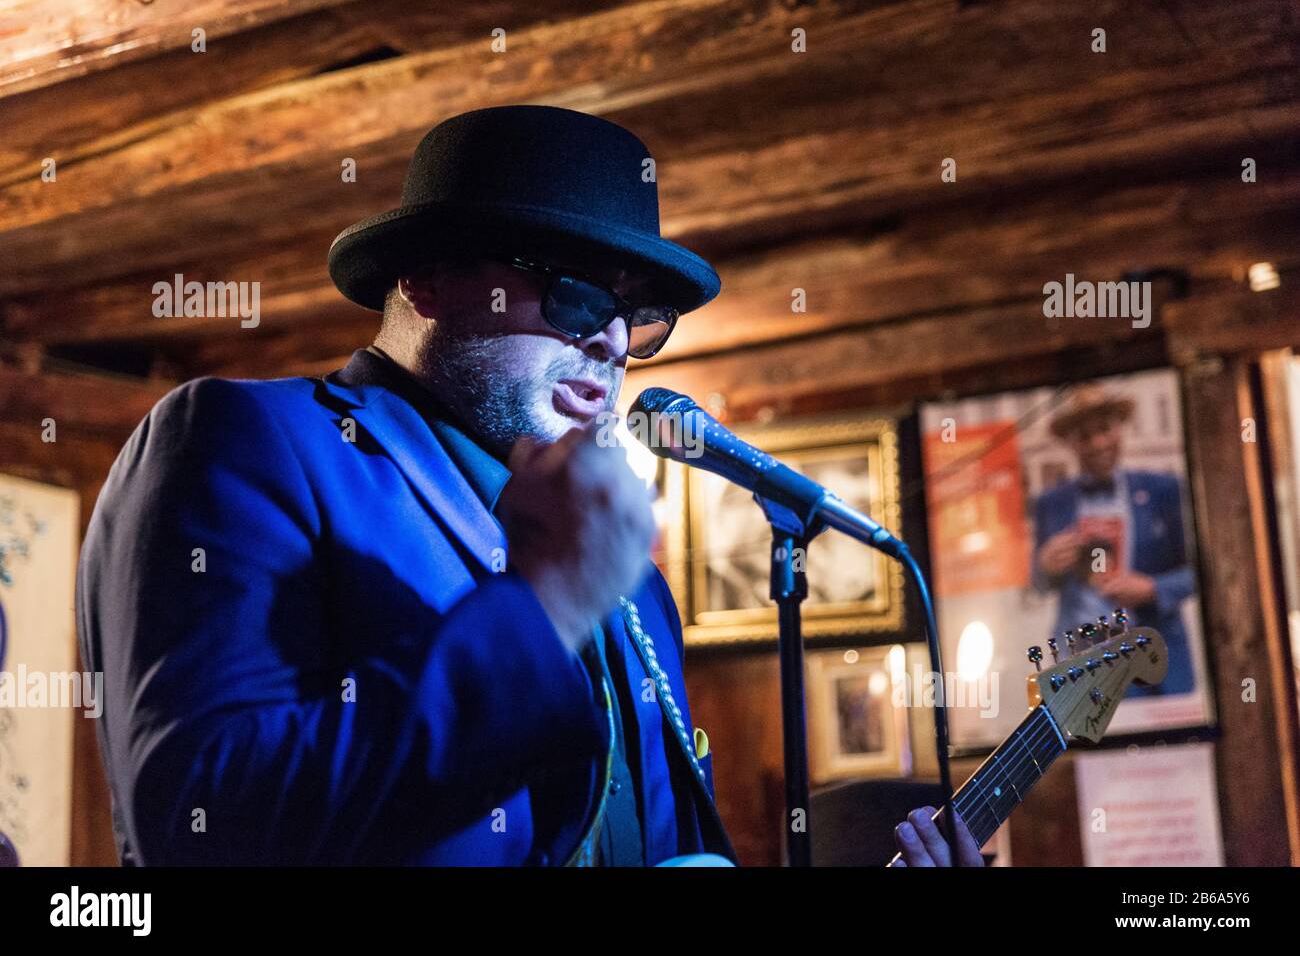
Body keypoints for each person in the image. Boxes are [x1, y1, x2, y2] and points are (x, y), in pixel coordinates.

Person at [76, 105, 976, 866]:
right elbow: (200, 817)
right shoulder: (249, 439)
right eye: (579, 295)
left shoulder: (634, 587)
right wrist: (545, 607)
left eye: (638, 317)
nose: (613, 342)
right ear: (428, 276)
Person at [1032, 384, 1196, 695]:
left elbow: (1199, 572)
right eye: (1084, 436)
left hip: (1154, 661)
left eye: (1105, 429)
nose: (1098, 443)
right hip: (1082, 665)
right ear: (1070, 442)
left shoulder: (1163, 490)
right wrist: (1045, 565)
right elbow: (1038, 583)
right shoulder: (1052, 503)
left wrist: (1152, 588)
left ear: (1120, 427)